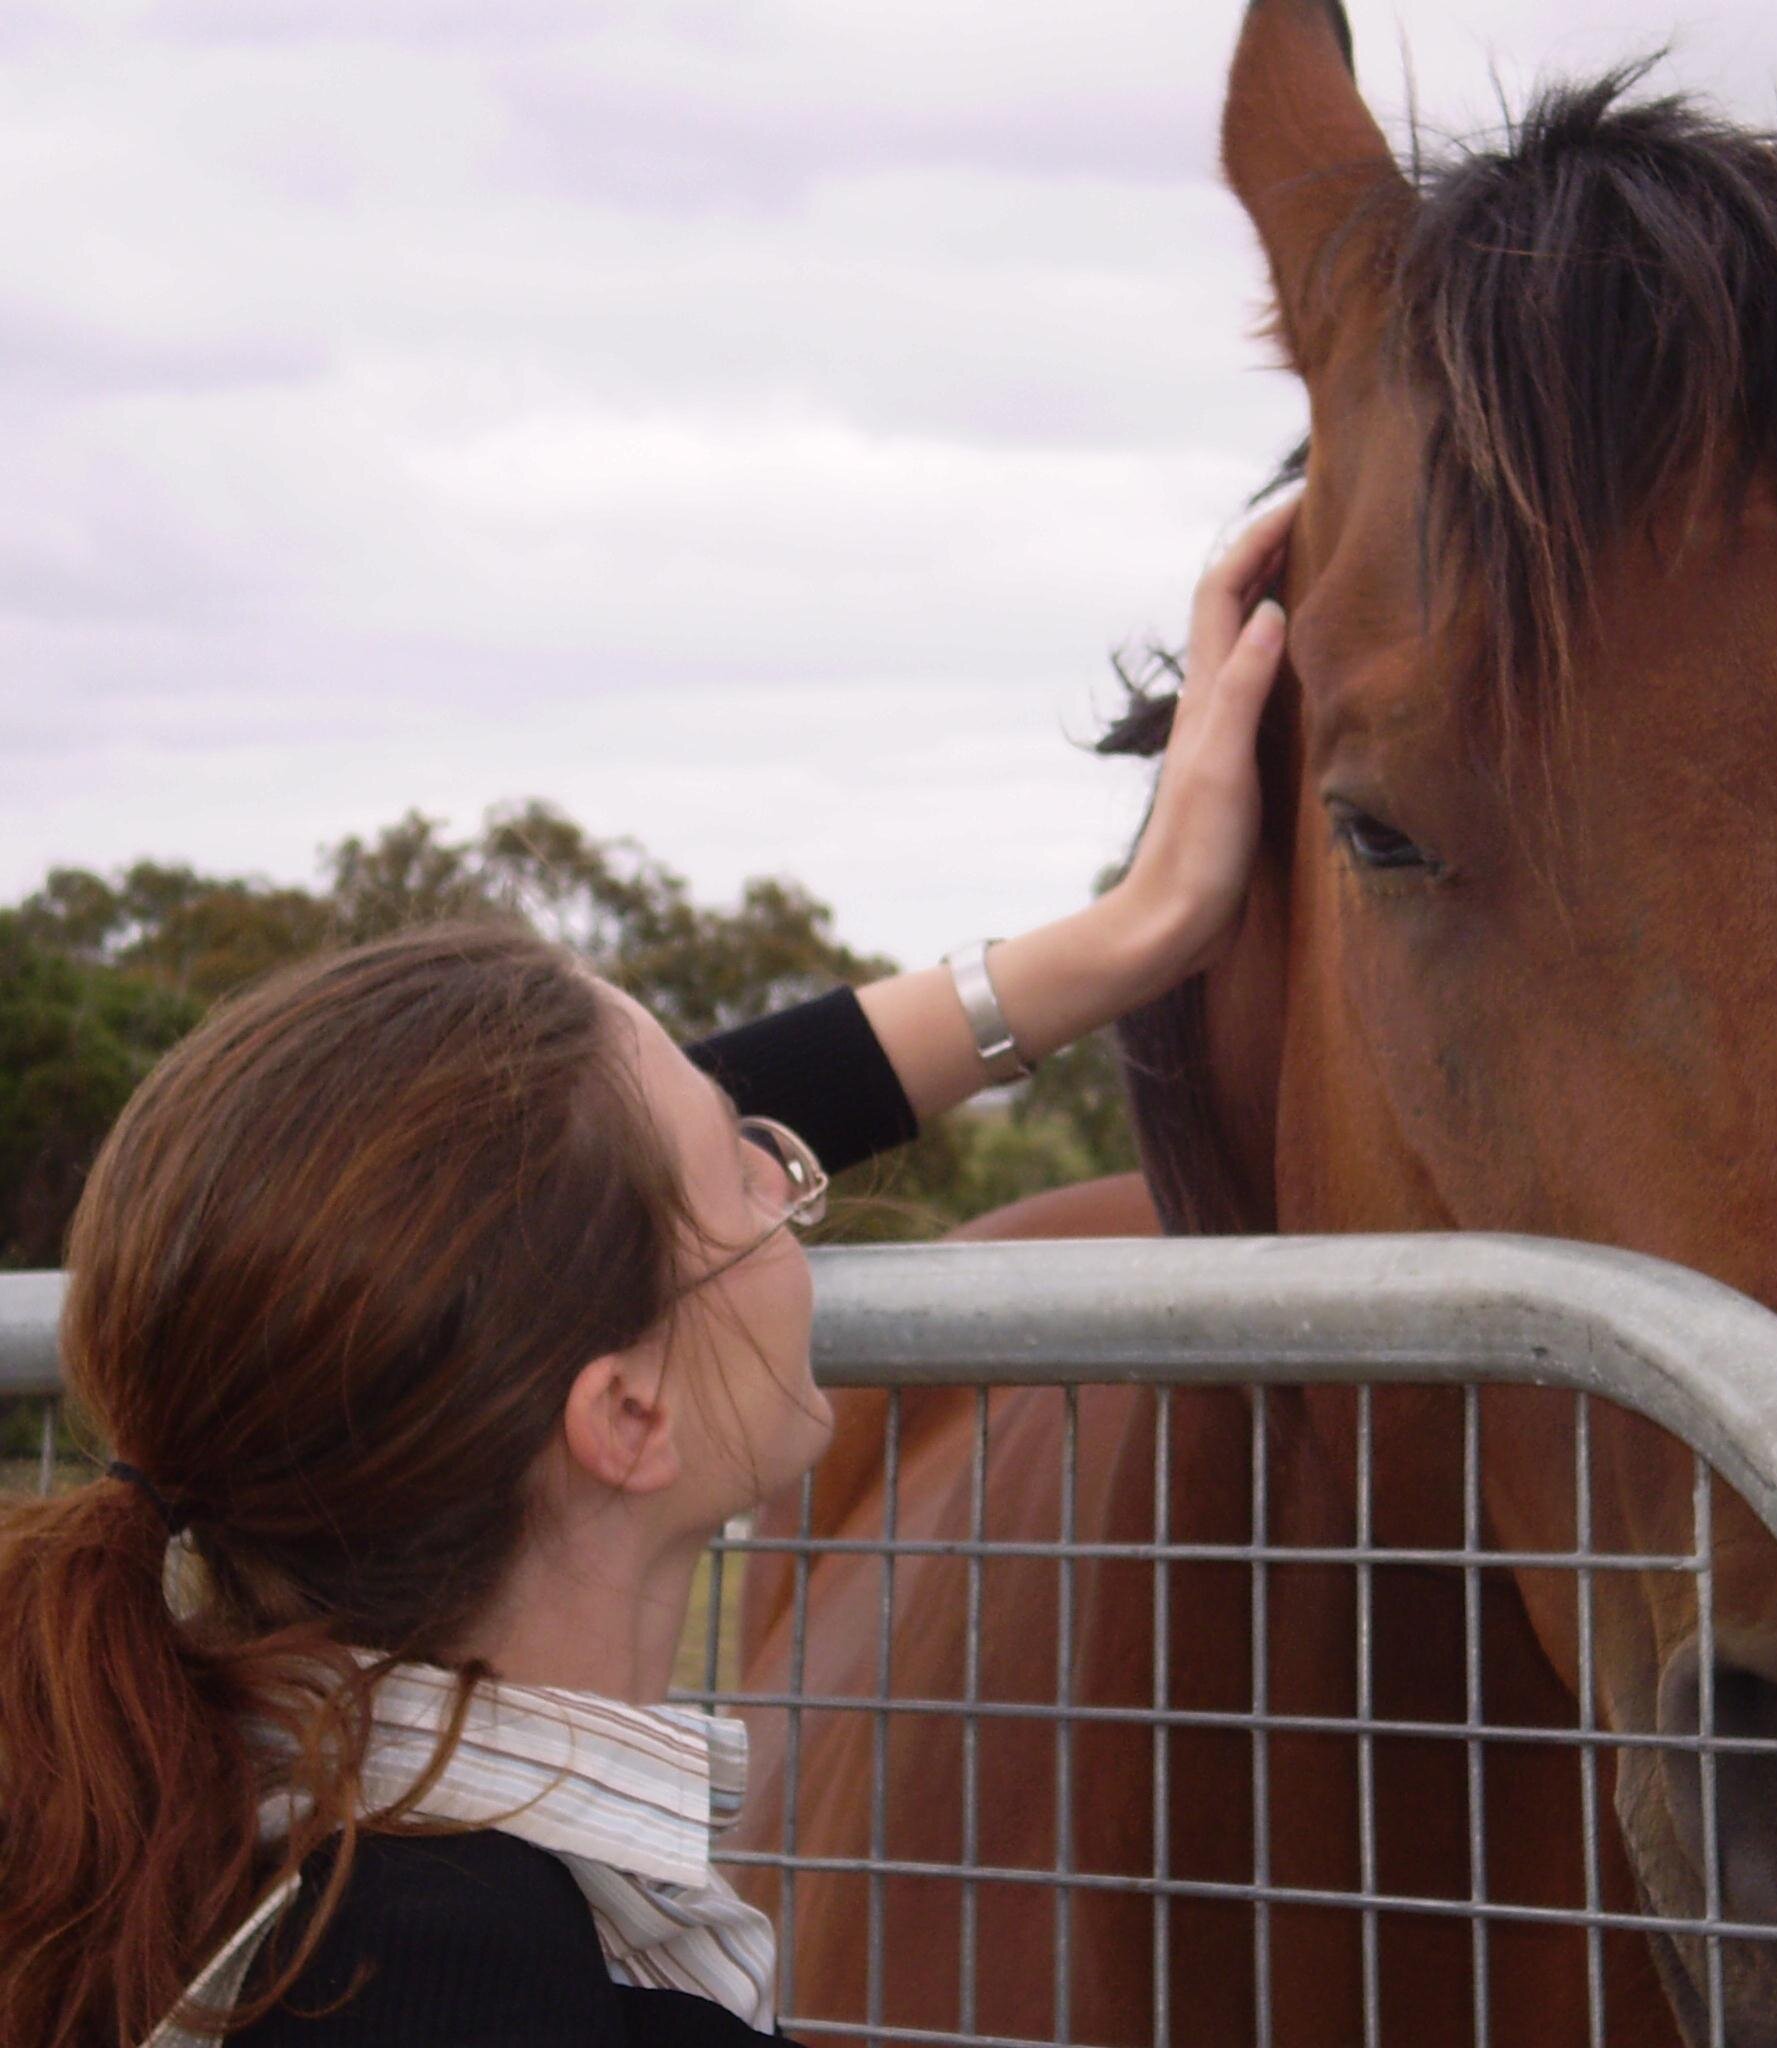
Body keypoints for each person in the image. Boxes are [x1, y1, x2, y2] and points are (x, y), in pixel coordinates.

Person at [0, 499, 1297, 2048]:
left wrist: (1131, 931)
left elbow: (526, 1205)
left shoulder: (198, 1865)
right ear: (622, 1418)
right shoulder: (522, 1995)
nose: (788, 1185)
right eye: (743, 1166)